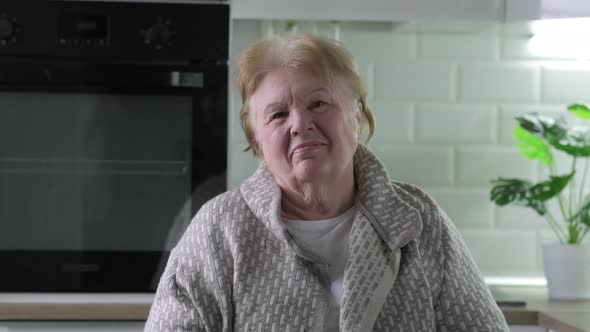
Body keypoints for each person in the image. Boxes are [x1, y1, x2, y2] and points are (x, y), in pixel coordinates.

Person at [145, 34, 509, 331]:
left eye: (318, 103)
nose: (300, 123)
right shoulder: (218, 230)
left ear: (358, 116)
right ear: (257, 142)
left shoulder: (420, 221)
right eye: (278, 114)